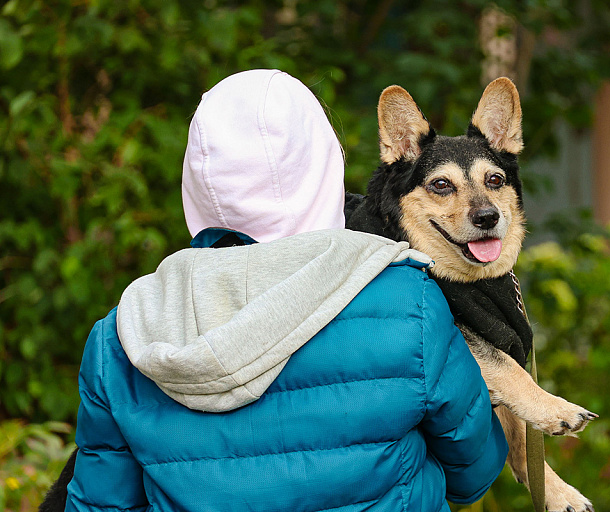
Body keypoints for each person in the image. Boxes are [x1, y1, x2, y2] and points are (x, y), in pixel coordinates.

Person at [63, 69, 507, 512]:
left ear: (196, 179)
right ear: (324, 164)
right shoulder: (409, 300)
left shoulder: (125, 332)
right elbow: (473, 473)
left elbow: (100, 503)